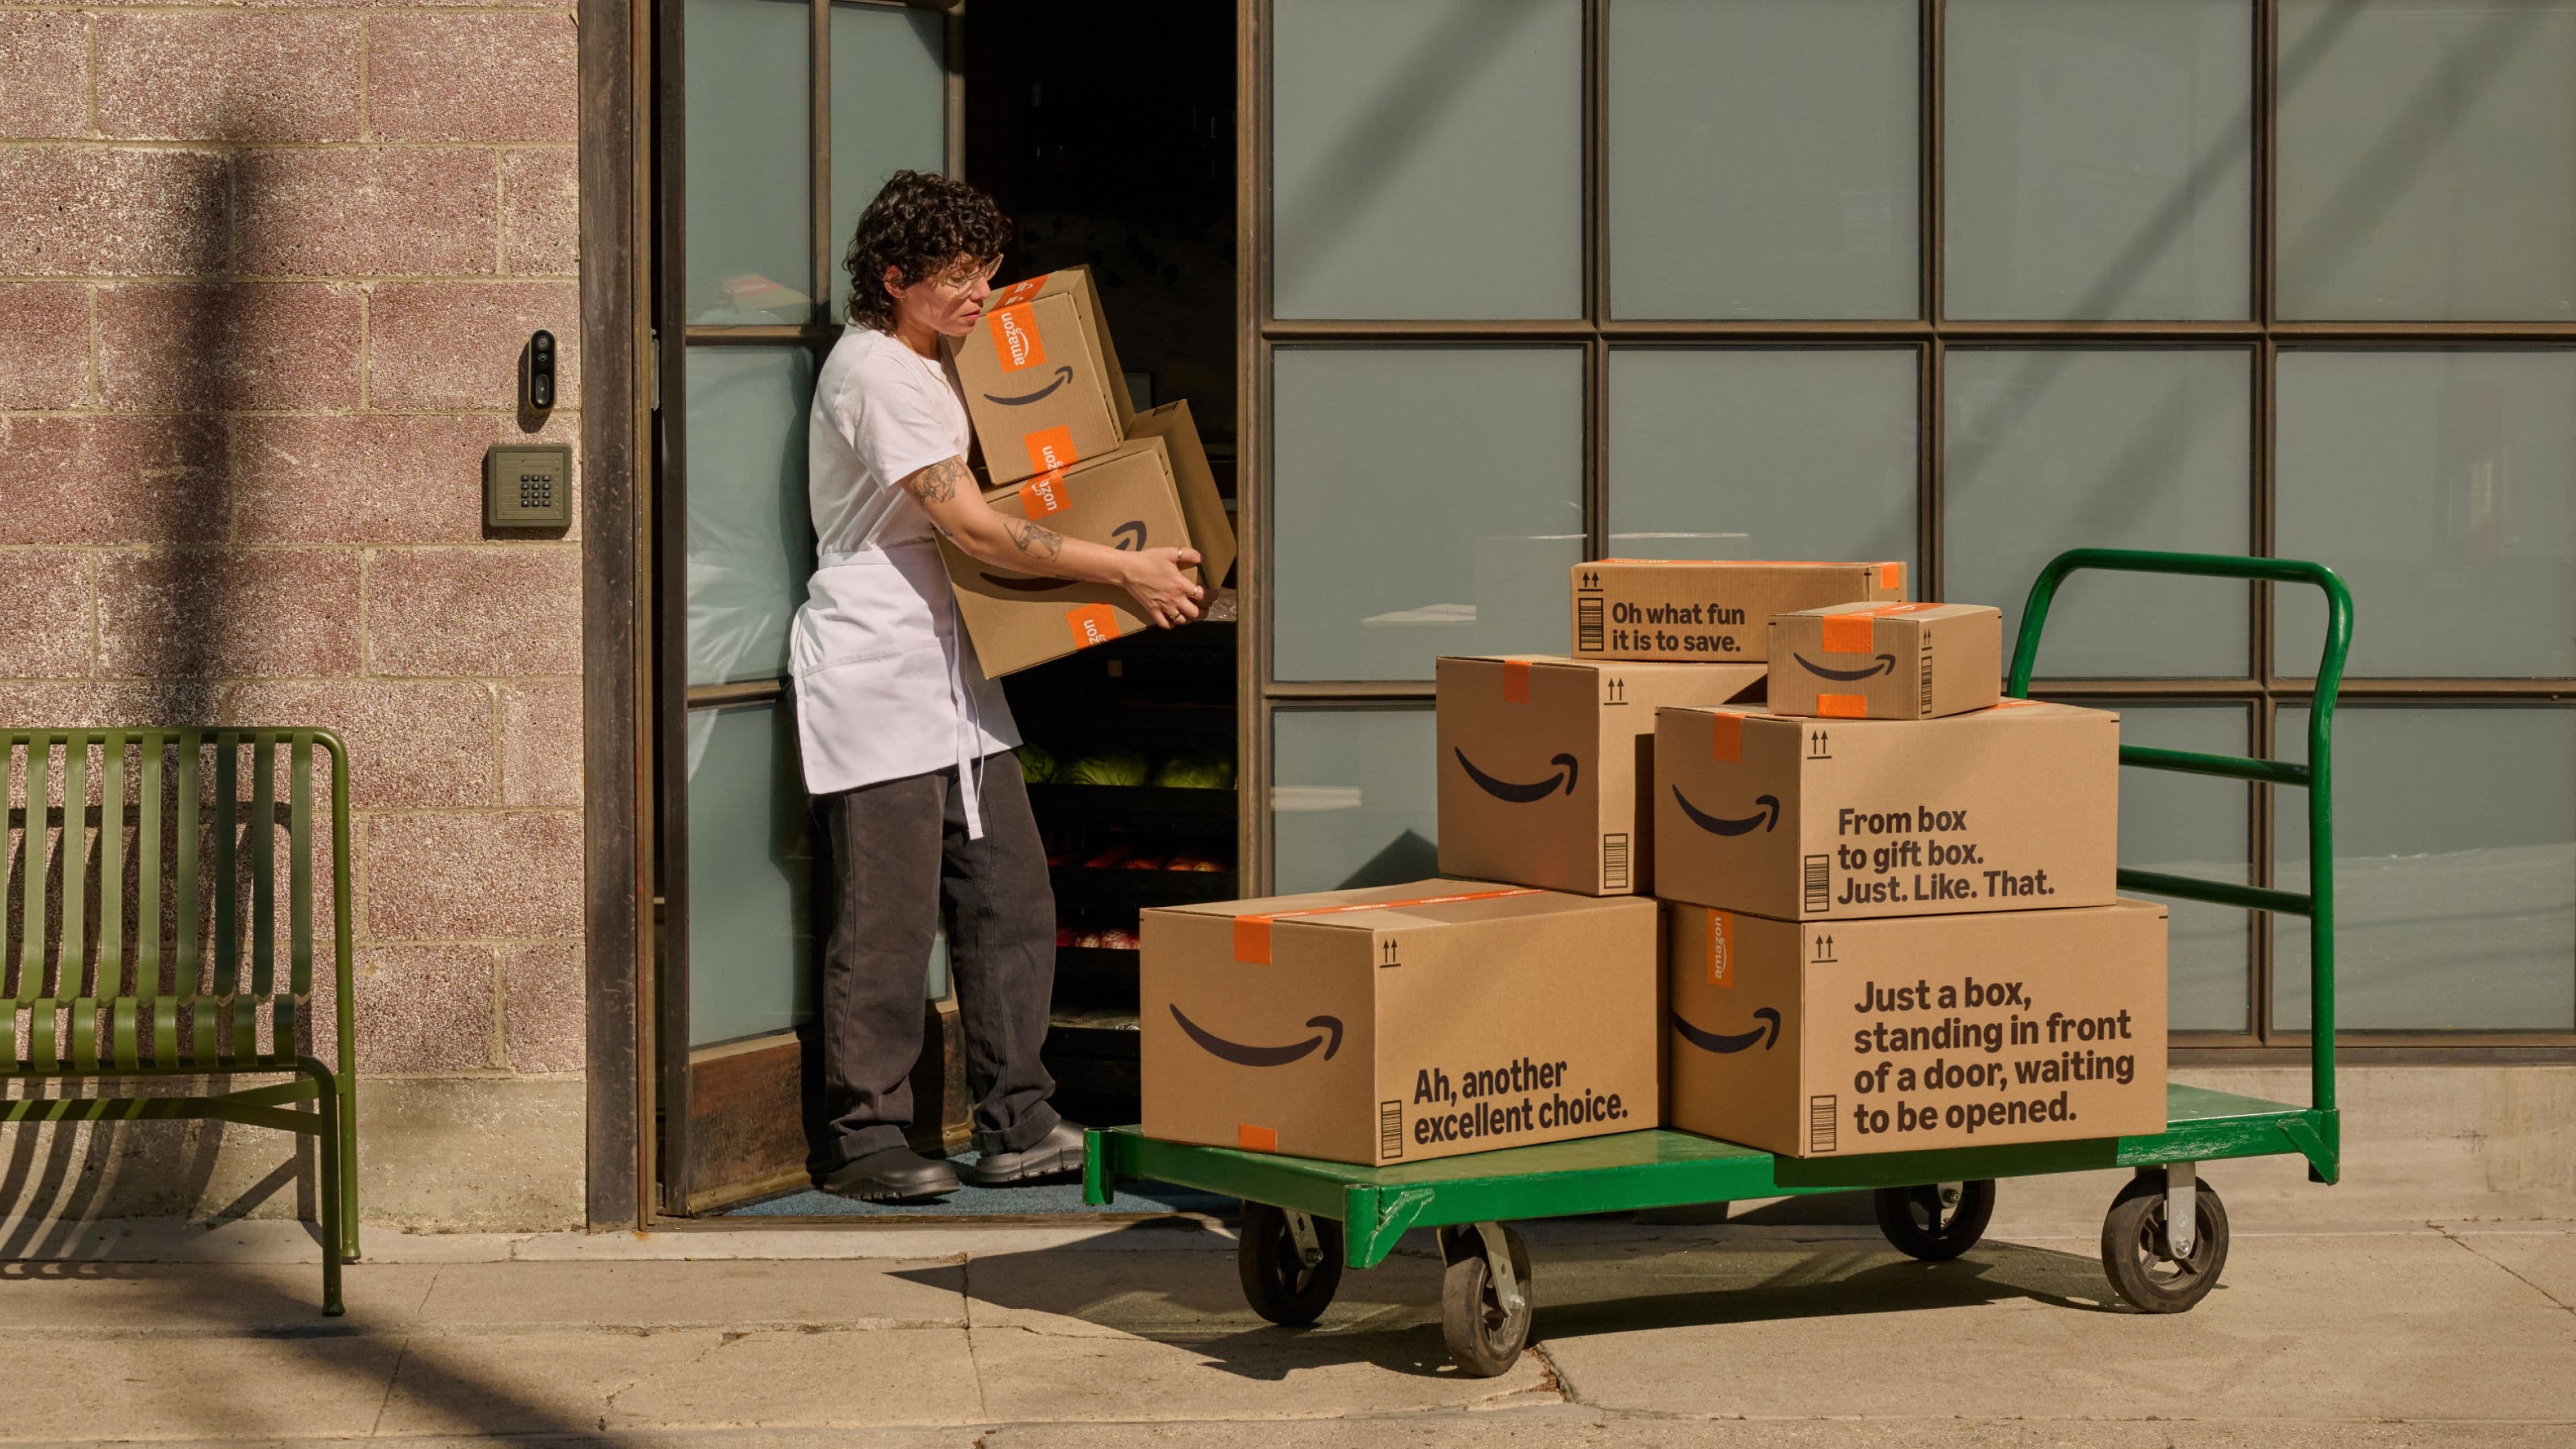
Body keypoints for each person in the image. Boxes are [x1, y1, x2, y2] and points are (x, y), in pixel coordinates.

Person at [792, 170, 1205, 1200]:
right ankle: (866, 1139)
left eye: (988, 272)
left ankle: (1016, 1119)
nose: (982, 294)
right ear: (895, 278)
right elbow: (972, 527)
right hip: (879, 672)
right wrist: (1126, 569)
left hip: (954, 676)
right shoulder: (878, 374)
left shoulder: (937, 364)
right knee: (885, 924)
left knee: (1011, 899)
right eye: (959, 276)